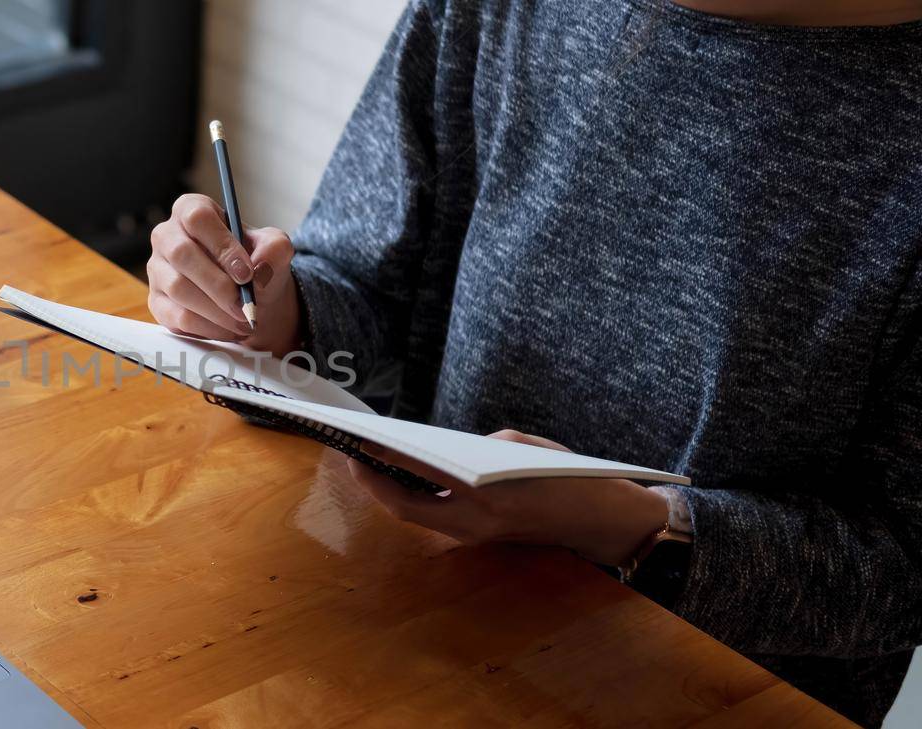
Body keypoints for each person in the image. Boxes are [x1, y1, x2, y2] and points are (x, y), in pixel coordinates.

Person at [146, 0, 922, 725]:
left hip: (702, 694)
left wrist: (635, 527)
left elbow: (902, 568)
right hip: (421, 627)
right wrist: (275, 321)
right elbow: (374, 294)